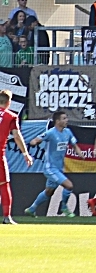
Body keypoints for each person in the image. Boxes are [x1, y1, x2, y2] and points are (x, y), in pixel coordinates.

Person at [25, 109, 82, 218]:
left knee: (48, 192)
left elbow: (74, 144)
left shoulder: (67, 132)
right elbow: (38, 139)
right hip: (50, 168)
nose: (67, 120)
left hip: (59, 168)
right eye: (64, 118)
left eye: (67, 118)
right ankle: (64, 207)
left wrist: (80, 154)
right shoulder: (51, 133)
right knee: (69, 186)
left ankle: (31, 209)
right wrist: (34, 142)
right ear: (57, 121)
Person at [0, 89, 33, 223]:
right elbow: (17, 136)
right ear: (9, 103)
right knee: (4, 184)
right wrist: (26, 154)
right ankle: (7, 217)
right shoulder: (11, 116)